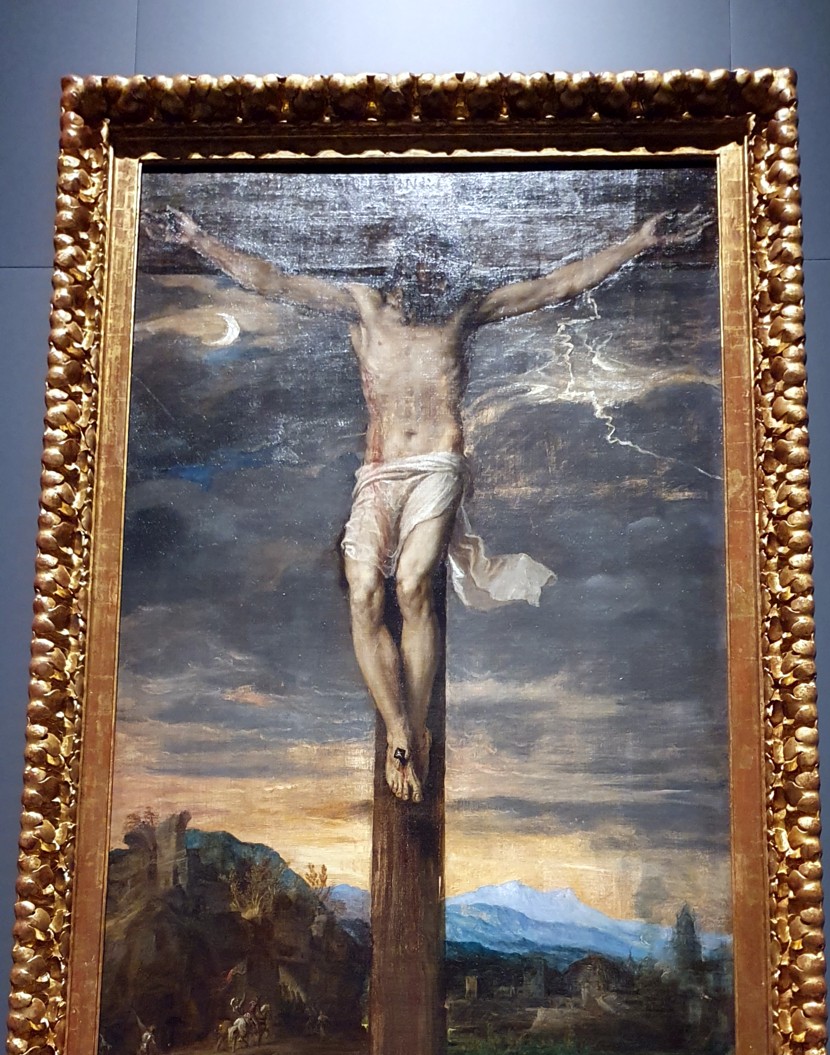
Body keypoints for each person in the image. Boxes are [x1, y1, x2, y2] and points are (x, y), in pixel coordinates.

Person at [158, 208, 674, 801]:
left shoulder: (463, 312)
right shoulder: (364, 307)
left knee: (410, 585)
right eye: (423, 271)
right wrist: (199, 239)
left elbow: (558, 285)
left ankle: (414, 726)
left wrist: (637, 242)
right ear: (404, 272)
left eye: (440, 272)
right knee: (362, 592)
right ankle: (400, 728)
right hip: (379, 473)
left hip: (437, 466)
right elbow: (271, 280)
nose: (432, 281)